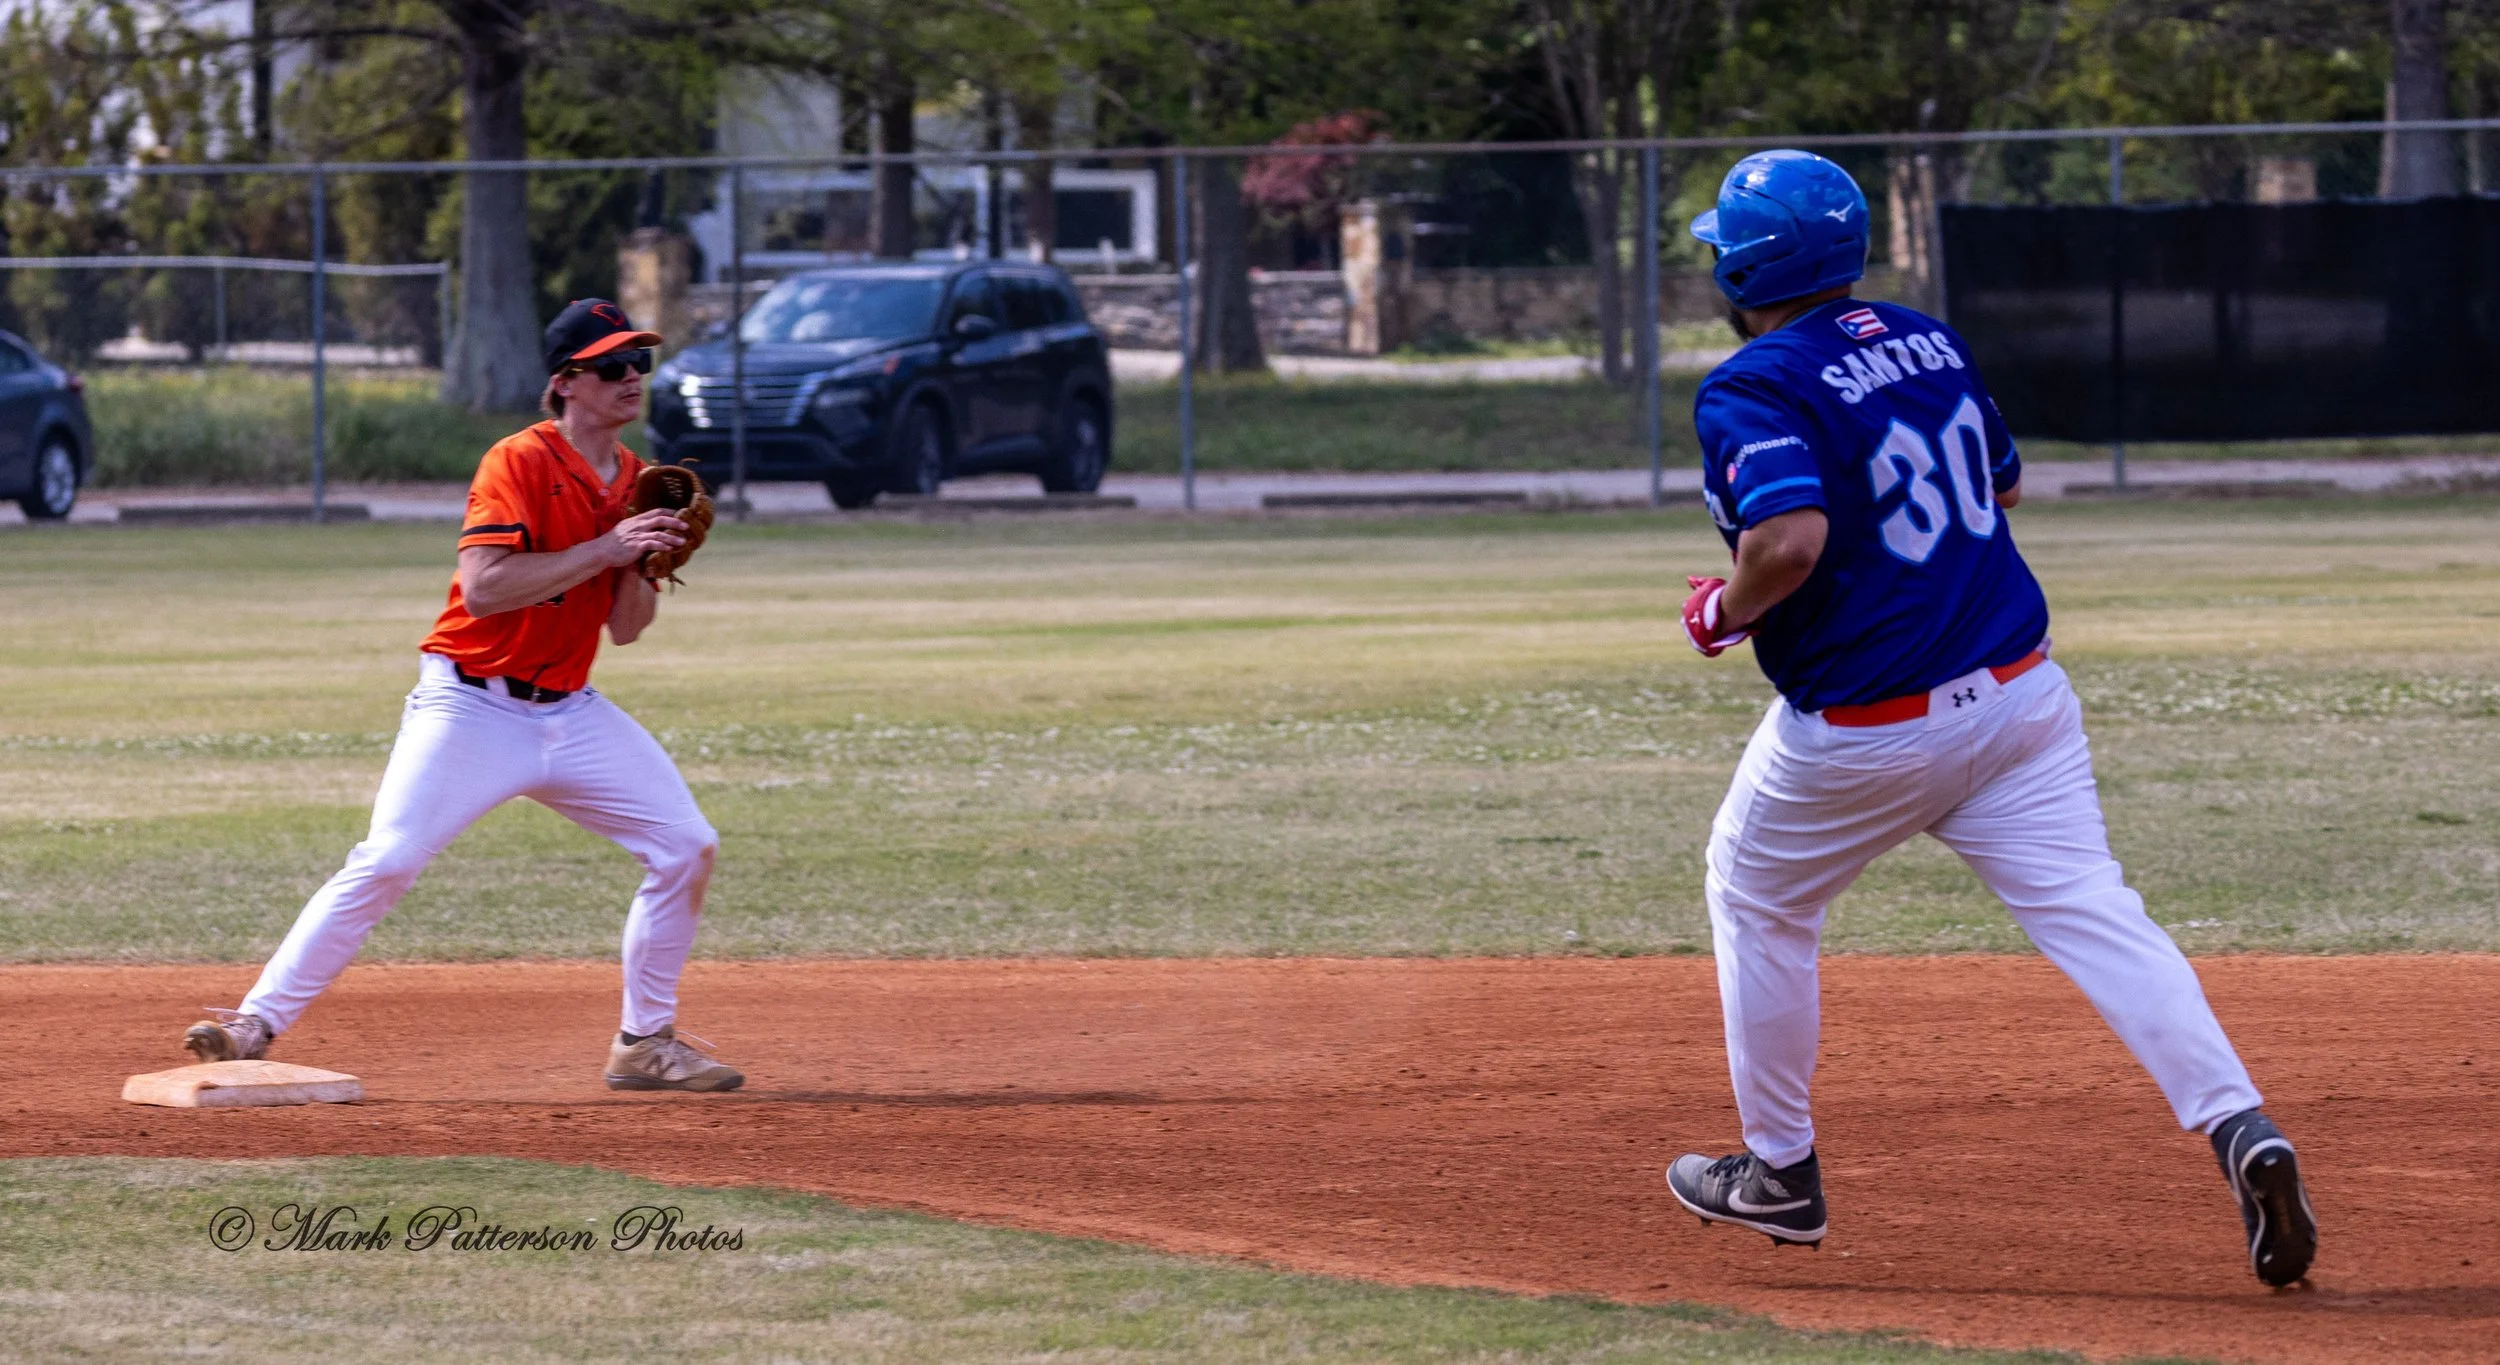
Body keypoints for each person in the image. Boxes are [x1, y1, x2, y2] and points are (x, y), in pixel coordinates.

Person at [1663, 151, 2316, 1287]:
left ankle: (1779, 1173)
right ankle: (2235, 1123)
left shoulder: (1752, 383)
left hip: (1870, 728)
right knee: (2095, 913)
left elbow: (1790, 542)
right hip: (2021, 700)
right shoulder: (1929, 337)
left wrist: (1723, 608)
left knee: (1752, 893)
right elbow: (2003, 485)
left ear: (1748, 265)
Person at [182, 298, 744, 1093]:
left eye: (639, 363)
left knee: (687, 844)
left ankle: (644, 1042)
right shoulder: (517, 462)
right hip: (470, 706)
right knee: (389, 859)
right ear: (565, 383)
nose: (632, 379)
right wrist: (607, 545)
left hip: (570, 711)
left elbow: (625, 630)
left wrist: (639, 564)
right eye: (613, 365)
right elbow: (484, 590)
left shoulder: (637, 480)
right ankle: (253, 1023)